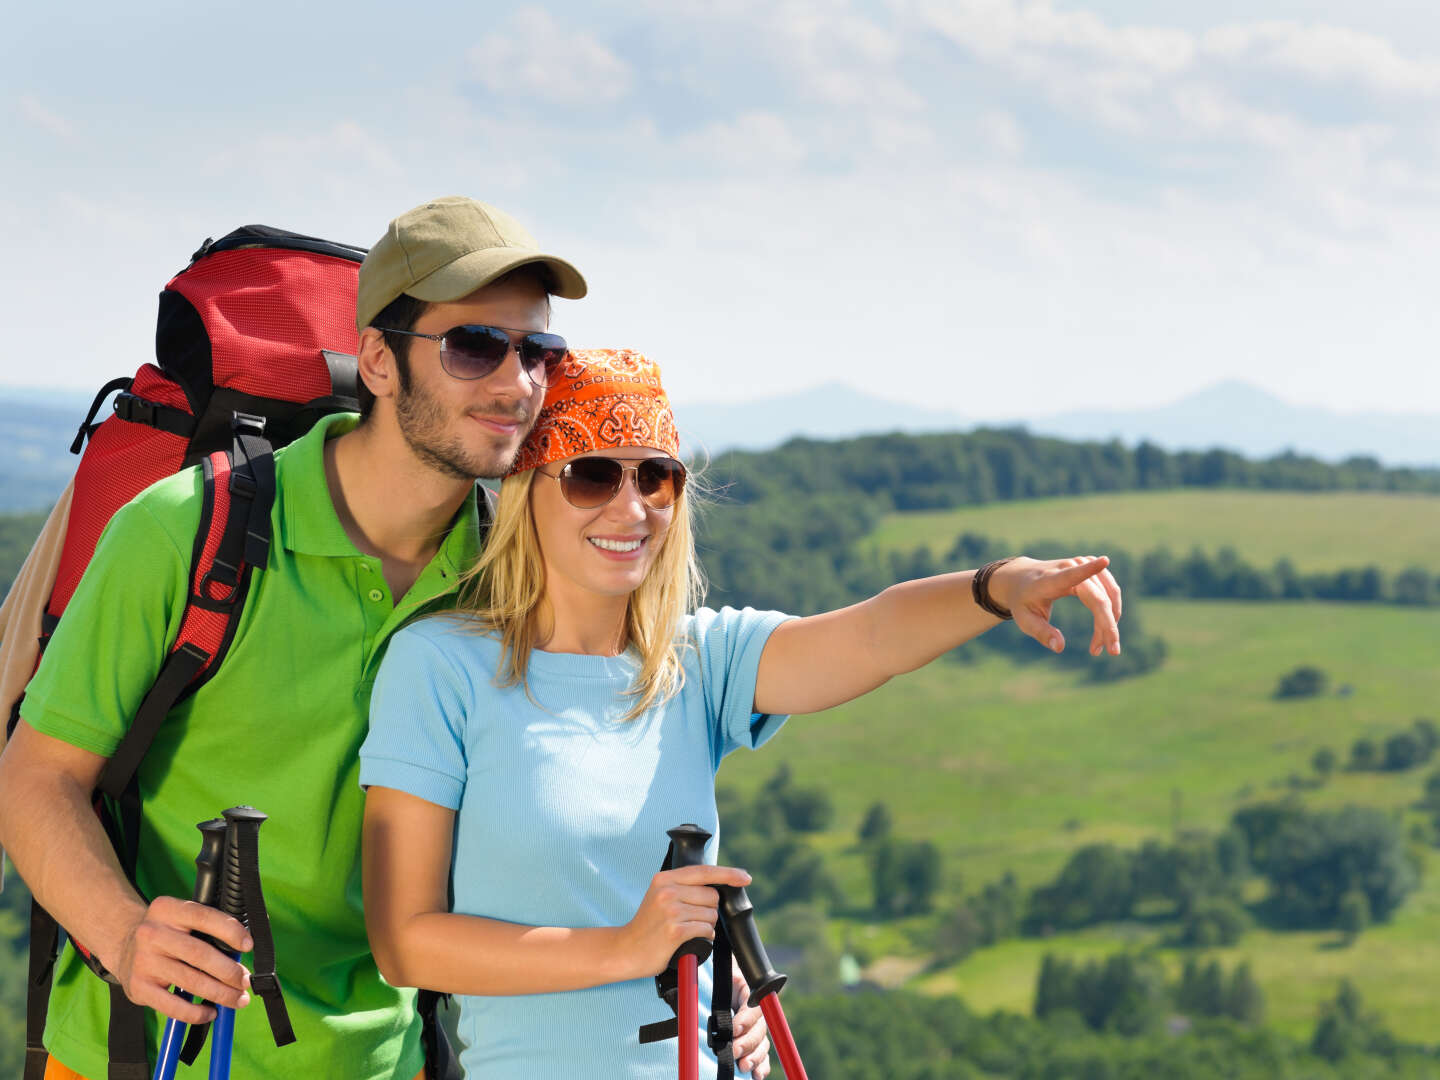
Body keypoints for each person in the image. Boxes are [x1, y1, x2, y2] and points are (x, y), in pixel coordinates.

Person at [0, 199, 771, 1079]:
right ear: (377, 358)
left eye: (539, 351)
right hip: (150, 1052)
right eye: (474, 346)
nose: (517, 381)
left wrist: (704, 974)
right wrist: (126, 934)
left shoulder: (513, 569)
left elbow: (585, 785)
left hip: (392, 1061)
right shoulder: (187, 530)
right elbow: (36, 777)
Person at [359, 348, 1123, 1079]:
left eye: (656, 478)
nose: (630, 508)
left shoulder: (696, 662)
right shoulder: (441, 668)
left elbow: (872, 636)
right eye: (591, 476)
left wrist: (998, 585)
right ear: (527, 490)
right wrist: (627, 950)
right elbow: (407, 944)